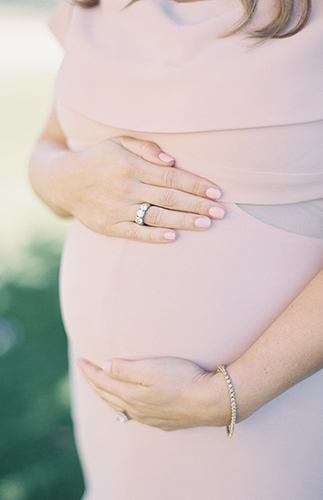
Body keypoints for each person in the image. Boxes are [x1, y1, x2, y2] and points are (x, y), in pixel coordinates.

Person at [29, 0, 323, 498]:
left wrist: (230, 394)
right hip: (109, 408)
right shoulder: (97, 6)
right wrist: (64, 180)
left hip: (278, 408)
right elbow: (49, 148)